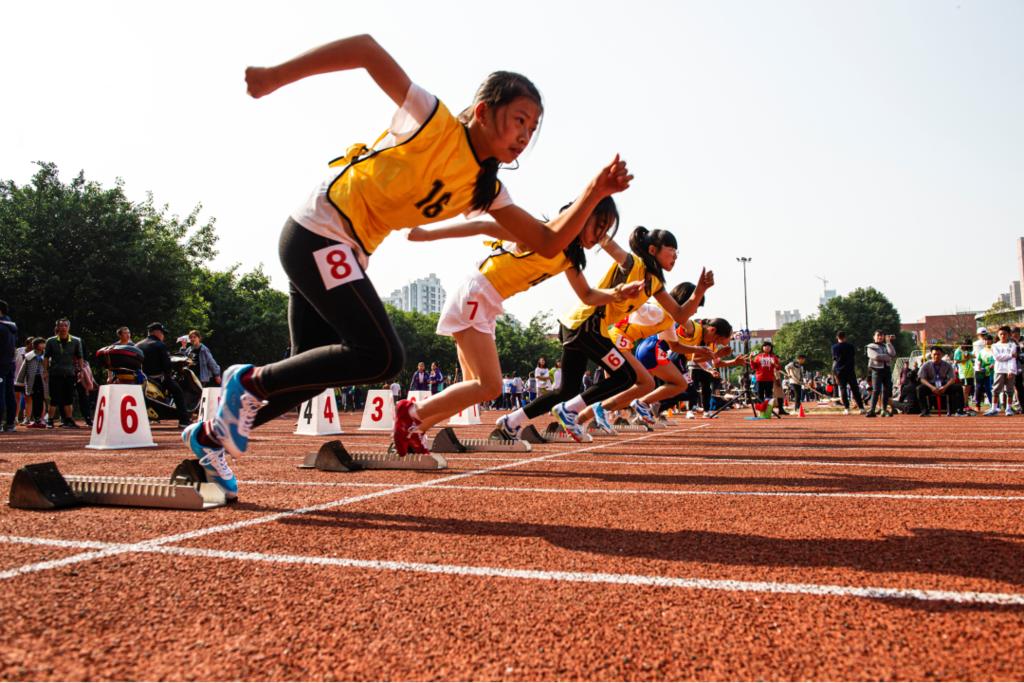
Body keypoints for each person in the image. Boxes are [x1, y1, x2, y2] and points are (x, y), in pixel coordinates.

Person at [187, 34, 632, 496]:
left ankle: (209, 437)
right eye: (519, 119)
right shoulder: (433, 120)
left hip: (345, 250)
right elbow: (364, 49)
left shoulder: (487, 189)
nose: (525, 135)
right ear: (483, 110)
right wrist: (275, 76)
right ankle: (248, 379)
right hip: (319, 228)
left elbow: (547, 240)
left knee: (307, 378)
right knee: (380, 355)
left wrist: (595, 190)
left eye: (533, 129)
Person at [500, 227, 712, 441]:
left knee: (567, 390)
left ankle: (511, 422)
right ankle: (570, 410)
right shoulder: (633, 263)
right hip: (586, 323)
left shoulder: (655, 284)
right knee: (626, 376)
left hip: (582, 327)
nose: (675, 256)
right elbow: (606, 242)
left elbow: (680, 314)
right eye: (672, 250)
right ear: (652, 249)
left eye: (678, 252)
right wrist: (585, 221)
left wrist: (700, 290)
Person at [577, 283, 720, 431]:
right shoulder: (657, 311)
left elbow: (675, 347)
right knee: (646, 384)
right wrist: (625, 294)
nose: (695, 312)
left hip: (622, 343)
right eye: (695, 306)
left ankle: (587, 418)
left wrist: (699, 349)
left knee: (622, 389)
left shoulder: (669, 319)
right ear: (683, 302)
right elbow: (632, 307)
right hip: (616, 340)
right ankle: (590, 413)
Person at [137, 323, 191, 428]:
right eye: (162, 333)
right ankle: (184, 421)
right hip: (157, 378)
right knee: (178, 391)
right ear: (157, 332)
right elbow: (166, 365)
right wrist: (169, 375)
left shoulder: (138, 345)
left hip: (141, 378)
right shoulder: (159, 345)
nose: (163, 336)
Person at [43, 318, 84, 428]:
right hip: (55, 373)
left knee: (69, 398)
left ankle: (69, 420)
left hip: (70, 373)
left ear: (69, 327)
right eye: (60, 326)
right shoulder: (50, 341)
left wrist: (82, 371)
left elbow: (80, 357)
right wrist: (45, 371)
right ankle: (50, 420)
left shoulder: (76, 341)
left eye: (65, 326)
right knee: (54, 398)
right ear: (57, 327)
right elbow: (46, 357)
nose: (63, 328)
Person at [917, 346, 965, 416]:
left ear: (942, 355)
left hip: (944, 385)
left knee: (958, 388)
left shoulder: (947, 365)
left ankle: (959, 411)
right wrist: (932, 387)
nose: (936, 356)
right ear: (931, 355)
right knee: (919, 389)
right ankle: (925, 411)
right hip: (931, 385)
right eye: (934, 354)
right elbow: (921, 379)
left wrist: (945, 387)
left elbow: (952, 379)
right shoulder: (926, 365)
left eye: (938, 354)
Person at [987, 326, 1018, 416]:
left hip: (1010, 370)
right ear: (998, 335)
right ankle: (994, 408)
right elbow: (997, 357)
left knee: (1009, 390)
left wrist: (1011, 370)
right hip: (999, 369)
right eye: (1001, 334)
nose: (1003, 336)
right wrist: (1010, 355)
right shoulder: (994, 346)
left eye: (1005, 334)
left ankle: (1008, 409)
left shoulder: (1012, 345)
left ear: (1008, 335)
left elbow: (1012, 359)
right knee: (996, 389)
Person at [831, 330, 864, 415]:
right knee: (855, 389)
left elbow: (835, 359)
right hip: (850, 370)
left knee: (843, 389)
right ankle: (861, 408)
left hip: (840, 371)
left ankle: (847, 408)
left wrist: (834, 373)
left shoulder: (834, 347)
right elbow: (853, 356)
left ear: (837, 337)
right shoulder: (851, 346)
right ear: (845, 337)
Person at [865, 330, 896, 417]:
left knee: (886, 390)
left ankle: (884, 410)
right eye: (878, 335)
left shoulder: (886, 345)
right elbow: (875, 356)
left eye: (882, 335)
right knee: (876, 390)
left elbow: (893, 354)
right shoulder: (870, 346)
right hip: (877, 370)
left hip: (887, 370)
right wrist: (887, 357)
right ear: (874, 337)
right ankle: (872, 410)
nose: (880, 337)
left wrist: (889, 343)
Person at [750, 342, 782, 415]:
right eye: (765, 346)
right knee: (760, 395)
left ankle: (768, 410)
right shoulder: (758, 356)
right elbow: (753, 367)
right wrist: (751, 358)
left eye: (769, 346)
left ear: (771, 348)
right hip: (759, 378)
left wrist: (774, 364)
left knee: (769, 395)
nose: (767, 347)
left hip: (769, 379)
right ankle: (761, 411)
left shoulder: (773, 357)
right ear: (762, 347)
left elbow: (779, 368)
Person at [0, 300, 17, 432]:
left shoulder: (1, 327)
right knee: (9, 393)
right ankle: (10, 423)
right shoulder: (10, 325)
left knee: (1, 393)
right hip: (9, 363)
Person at [952, 341, 975, 413]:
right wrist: (966, 359)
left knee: (968, 390)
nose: (965, 346)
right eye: (965, 344)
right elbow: (955, 361)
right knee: (965, 390)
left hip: (970, 372)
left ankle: (966, 405)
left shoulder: (966, 351)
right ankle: (964, 406)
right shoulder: (958, 351)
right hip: (964, 373)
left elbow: (973, 355)